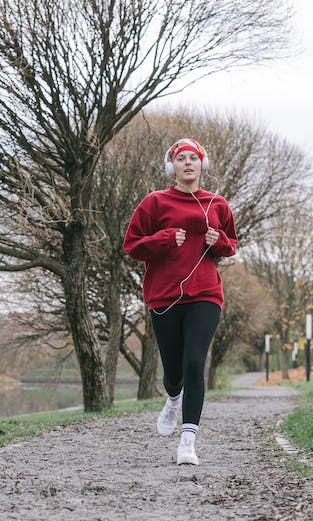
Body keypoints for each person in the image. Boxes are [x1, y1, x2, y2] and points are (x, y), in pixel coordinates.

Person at [123, 138, 238, 465]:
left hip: (205, 294)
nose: (187, 163)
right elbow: (132, 246)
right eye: (180, 158)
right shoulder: (154, 203)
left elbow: (231, 245)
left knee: (193, 363)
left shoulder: (217, 204)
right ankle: (173, 398)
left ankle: (187, 442)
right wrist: (163, 239)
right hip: (165, 296)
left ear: (203, 164)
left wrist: (219, 242)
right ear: (171, 166)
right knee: (173, 371)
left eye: (193, 158)